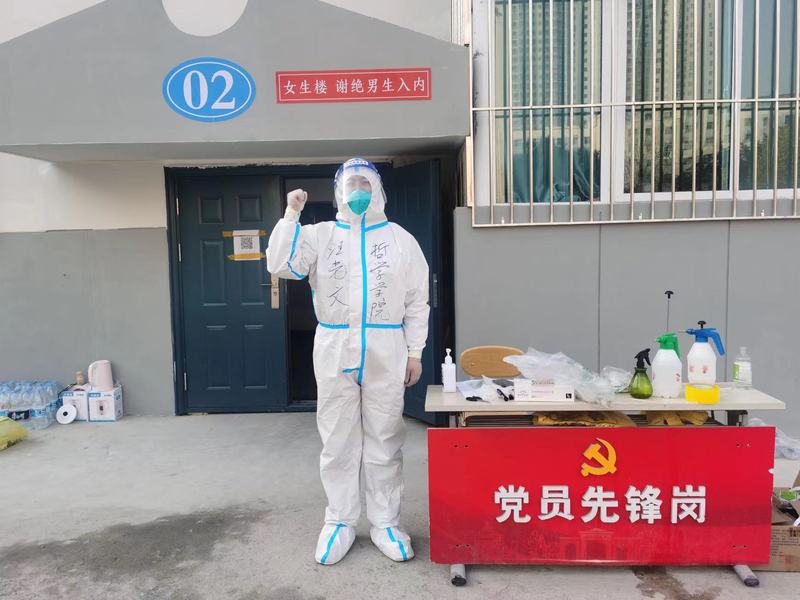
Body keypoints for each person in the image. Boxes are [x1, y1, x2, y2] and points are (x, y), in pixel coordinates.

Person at [267, 158, 430, 565]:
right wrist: (291, 214)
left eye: (365, 183)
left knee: (385, 437)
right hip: (335, 345)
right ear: (338, 191)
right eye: (350, 183)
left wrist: (415, 351)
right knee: (337, 439)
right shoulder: (320, 235)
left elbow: (417, 301)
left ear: (378, 190)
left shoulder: (400, 240)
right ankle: (339, 520)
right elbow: (281, 265)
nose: (357, 190)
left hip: (386, 346)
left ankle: (385, 521)